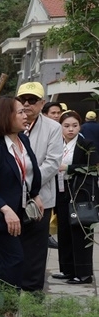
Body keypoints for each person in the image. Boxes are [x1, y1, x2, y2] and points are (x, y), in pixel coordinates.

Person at [0, 96, 44, 288]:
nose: (26, 115)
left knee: (8, 260)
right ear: (6, 116)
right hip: (1, 216)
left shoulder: (23, 139)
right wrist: (5, 210)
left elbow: (30, 171)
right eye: (20, 112)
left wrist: (35, 194)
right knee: (14, 260)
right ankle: (4, 309)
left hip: (22, 211)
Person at [15, 82, 61, 292]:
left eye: (32, 100)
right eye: (22, 100)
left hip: (40, 197)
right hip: (12, 197)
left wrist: (28, 186)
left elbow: (51, 163)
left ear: (42, 103)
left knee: (35, 251)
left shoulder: (53, 128)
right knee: (11, 247)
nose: (26, 104)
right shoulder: (10, 125)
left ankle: (33, 295)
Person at [53, 111, 98, 284]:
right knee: (64, 232)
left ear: (80, 126)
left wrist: (68, 168)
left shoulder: (86, 144)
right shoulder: (57, 144)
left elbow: (92, 168)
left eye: (74, 125)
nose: (70, 129)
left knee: (81, 233)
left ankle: (84, 273)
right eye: (66, 126)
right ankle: (68, 270)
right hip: (62, 192)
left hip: (80, 194)